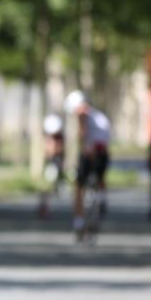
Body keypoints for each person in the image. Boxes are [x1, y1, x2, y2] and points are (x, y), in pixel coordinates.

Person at [64, 91, 112, 234]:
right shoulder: (100, 116)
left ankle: (78, 221)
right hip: (102, 153)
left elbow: (82, 134)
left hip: (90, 154)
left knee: (79, 186)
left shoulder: (82, 114)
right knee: (101, 177)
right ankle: (101, 197)